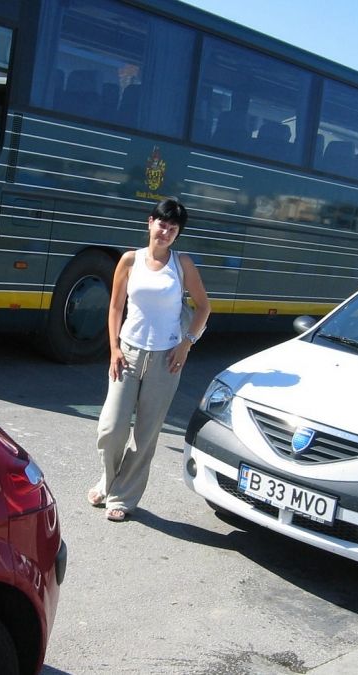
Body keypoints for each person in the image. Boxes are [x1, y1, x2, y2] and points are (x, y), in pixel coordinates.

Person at [87, 197, 210, 522]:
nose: (165, 230)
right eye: (162, 223)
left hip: (166, 358)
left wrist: (187, 343)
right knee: (111, 428)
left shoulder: (182, 264)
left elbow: (203, 307)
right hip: (127, 353)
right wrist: (113, 348)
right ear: (150, 222)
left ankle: (123, 498)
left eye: (173, 227)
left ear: (177, 232)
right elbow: (115, 307)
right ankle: (107, 478)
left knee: (145, 434)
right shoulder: (130, 260)